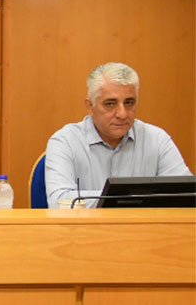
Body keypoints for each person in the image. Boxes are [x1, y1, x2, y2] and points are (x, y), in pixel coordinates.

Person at [45, 62, 192, 208]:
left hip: (144, 224)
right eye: (110, 104)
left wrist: (118, 198)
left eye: (129, 103)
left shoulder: (157, 140)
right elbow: (59, 202)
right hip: (88, 225)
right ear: (90, 106)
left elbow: (187, 196)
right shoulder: (65, 142)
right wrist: (127, 198)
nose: (122, 114)